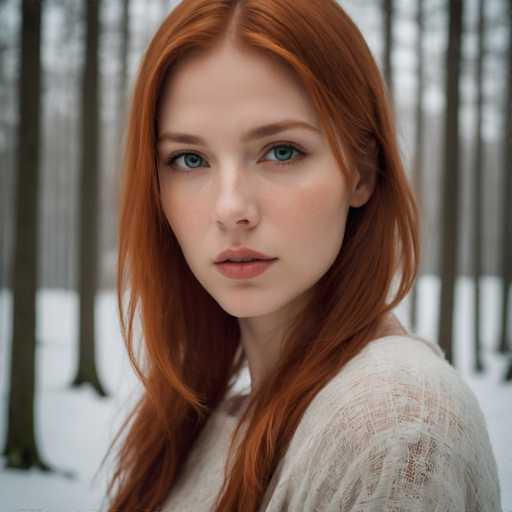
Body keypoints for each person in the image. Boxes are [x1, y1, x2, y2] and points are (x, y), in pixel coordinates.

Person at [102, 0, 503, 510]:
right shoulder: (211, 417)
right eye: (190, 159)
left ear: (360, 171)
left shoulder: (395, 428)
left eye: (282, 151)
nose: (231, 210)